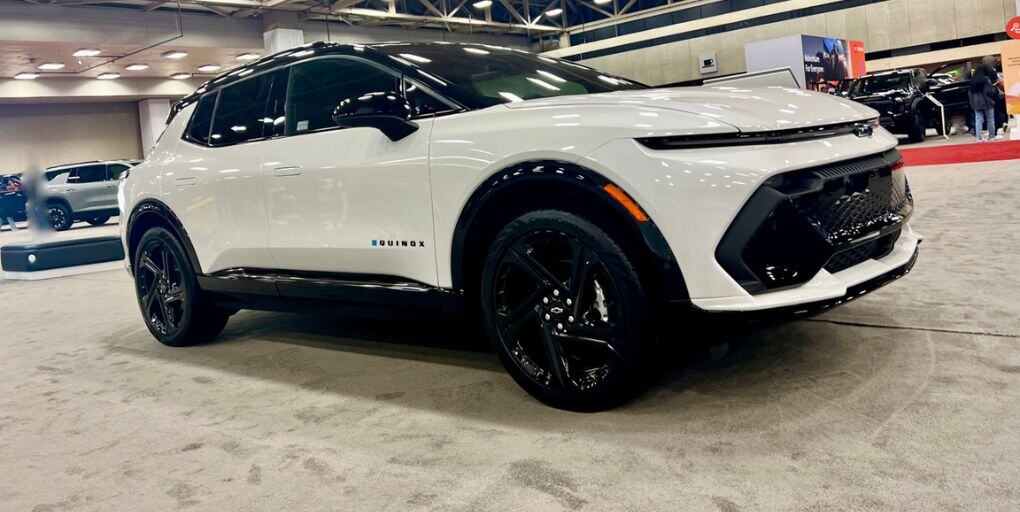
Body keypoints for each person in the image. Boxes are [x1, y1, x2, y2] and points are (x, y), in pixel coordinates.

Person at [969, 56, 1001, 142]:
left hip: (976, 104)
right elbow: (990, 92)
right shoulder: (986, 80)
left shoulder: (972, 82)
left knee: (978, 120)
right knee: (990, 119)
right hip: (987, 102)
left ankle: (978, 138)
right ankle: (992, 136)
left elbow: (970, 94)